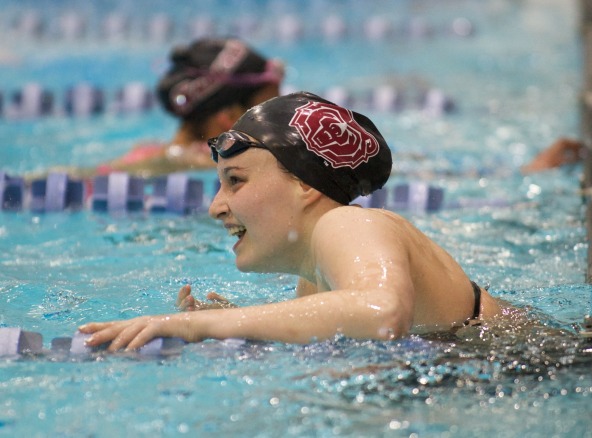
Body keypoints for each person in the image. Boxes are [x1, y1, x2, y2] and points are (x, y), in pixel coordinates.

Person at [79, 91, 503, 351]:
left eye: (235, 181)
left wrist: (200, 324)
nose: (215, 207)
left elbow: (382, 312)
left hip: (534, 366)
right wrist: (248, 323)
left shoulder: (350, 225)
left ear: (305, 184)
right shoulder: (316, 276)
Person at [40, 37, 284, 179]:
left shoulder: (152, 150)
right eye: (269, 109)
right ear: (228, 116)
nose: (281, 121)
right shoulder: (199, 161)